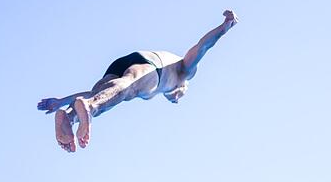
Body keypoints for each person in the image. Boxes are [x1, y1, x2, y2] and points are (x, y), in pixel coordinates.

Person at [38, 10, 239, 152]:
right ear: (183, 87)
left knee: (101, 93)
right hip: (152, 66)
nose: (177, 98)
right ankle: (89, 108)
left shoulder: (166, 84)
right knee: (129, 88)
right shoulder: (183, 72)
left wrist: (61, 101)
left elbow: (97, 93)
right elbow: (202, 47)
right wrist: (224, 27)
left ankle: (69, 118)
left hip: (122, 63)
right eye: (181, 95)